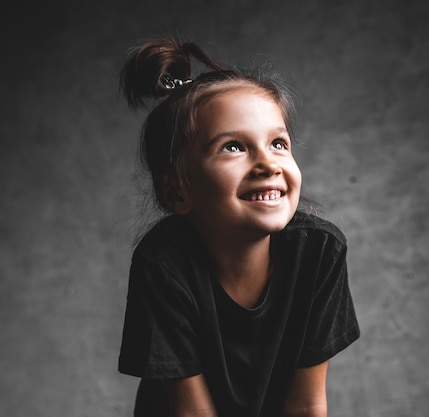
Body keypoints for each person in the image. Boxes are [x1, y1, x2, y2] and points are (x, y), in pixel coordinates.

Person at [117, 38, 360, 417]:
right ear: (177, 191)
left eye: (278, 143)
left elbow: (306, 405)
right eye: (233, 147)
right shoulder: (163, 264)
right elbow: (191, 413)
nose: (268, 164)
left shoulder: (319, 253)